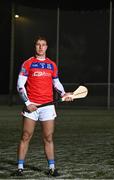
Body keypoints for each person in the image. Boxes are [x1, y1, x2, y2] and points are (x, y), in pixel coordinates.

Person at [16, 36, 73, 177]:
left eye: (43, 45)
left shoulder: (52, 65)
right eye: (38, 45)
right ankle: (20, 168)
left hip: (48, 107)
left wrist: (64, 94)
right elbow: (20, 85)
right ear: (35, 47)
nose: (41, 47)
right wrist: (28, 103)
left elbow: (56, 83)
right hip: (32, 106)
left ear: (47, 47)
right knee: (25, 136)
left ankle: (52, 168)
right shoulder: (28, 63)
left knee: (48, 137)